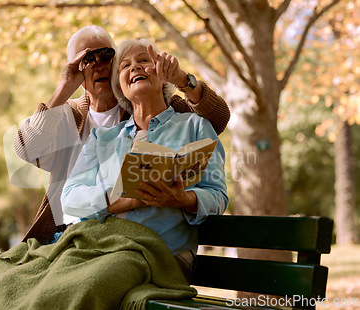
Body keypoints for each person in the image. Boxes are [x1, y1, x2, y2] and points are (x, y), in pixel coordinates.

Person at [13, 25, 230, 244]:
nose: (99, 64)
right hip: (66, 232)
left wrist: (182, 80)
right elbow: (28, 149)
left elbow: (216, 119)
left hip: (128, 239)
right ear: (76, 68)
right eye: (88, 58)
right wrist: (64, 87)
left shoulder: (149, 103)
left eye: (107, 55)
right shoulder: (69, 117)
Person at [61, 38, 229, 257]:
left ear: (163, 77)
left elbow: (218, 195)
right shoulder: (102, 138)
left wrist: (184, 200)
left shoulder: (195, 126)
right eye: (125, 65)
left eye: (144, 60)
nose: (135, 67)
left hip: (158, 254)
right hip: (100, 247)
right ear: (119, 86)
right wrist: (117, 200)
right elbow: (69, 197)